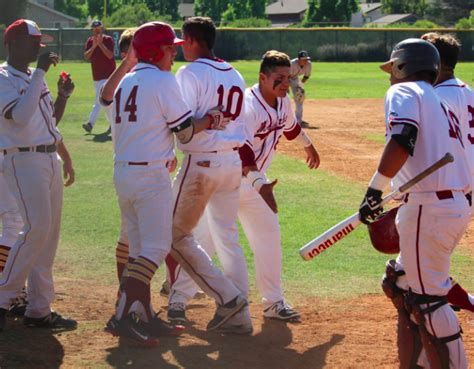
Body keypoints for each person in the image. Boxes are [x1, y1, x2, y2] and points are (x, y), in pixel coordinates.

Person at [100, 21, 247, 344]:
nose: (174, 54)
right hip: (150, 174)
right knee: (156, 247)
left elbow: (105, 98)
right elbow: (183, 131)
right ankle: (123, 314)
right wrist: (210, 119)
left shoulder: (126, 81)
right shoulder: (164, 80)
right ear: (155, 51)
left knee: (139, 248)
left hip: (123, 171)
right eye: (169, 48)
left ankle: (145, 315)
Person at [168, 50, 320, 323]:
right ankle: (178, 300)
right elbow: (244, 150)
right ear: (262, 77)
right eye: (279, 78)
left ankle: (273, 302)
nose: (285, 84)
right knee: (204, 240)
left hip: (256, 186)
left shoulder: (283, 102)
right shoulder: (249, 105)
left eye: (288, 78)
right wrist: (260, 183)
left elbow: (290, 128)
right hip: (233, 179)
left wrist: (308, 145)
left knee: (269, 238)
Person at [359, 38, 470, 368]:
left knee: (427, 302)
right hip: (450, 205)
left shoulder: (404, 92)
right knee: (400, 283)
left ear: (402, 66)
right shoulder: (441, 101)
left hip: (428, 208)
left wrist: (374, 191)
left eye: (392, 69)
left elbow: (403, 137)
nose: (390, 77)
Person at [163, 16, 252, 334]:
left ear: (191, 39)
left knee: (172, 234)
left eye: (182, 42)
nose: (180, 48)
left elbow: (183, 129)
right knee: (228, 239)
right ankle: (241, 317)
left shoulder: (189, 72)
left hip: (201, 163)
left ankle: (229, 299)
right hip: (231, 162)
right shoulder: (235, 72)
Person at [0, 19, 76, 331]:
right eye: (33, 43)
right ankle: (3, 297)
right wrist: (42, 74)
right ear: (12, 44)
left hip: (48, 158)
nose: (38, 48)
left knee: (48, 236)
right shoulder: (3, 78)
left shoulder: (34, 77)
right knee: (35, 229)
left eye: (39, 43)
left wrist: (63, 96)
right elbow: (19, 117)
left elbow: (49, 122)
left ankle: (39, 308)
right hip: (22, 159)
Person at [421, 32, 474, 319]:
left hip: (449, 191)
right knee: (426, 266)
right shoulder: (468, 91)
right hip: (466, 189)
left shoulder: (434, 97)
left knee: (412, 273)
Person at [82, 20, 116, 133]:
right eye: (94, 29)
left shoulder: (108, 39)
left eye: (98, 28)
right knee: (107, 104)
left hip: (108, 76)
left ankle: (90, 124)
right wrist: (94, 45)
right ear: (92, 30)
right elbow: (86, 56)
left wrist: (100, 44)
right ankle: (114, 124)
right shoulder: (90, 41)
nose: (96, 30)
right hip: (96, 77)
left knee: (99, 100)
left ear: (102, 28)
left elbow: (110, 55)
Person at [289, 50, 312, 127]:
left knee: (300, 98)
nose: (305, 61)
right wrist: (285, 88)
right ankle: (282, 120)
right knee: (283, 98)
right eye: (303, 59)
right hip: (284, 78)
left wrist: (300, 85)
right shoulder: (291, 64)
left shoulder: (308, 64)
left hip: (295, 79)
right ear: (298, 59)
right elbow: (285, 76)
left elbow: (306, 76)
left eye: (306, 59)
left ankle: (298, 121)